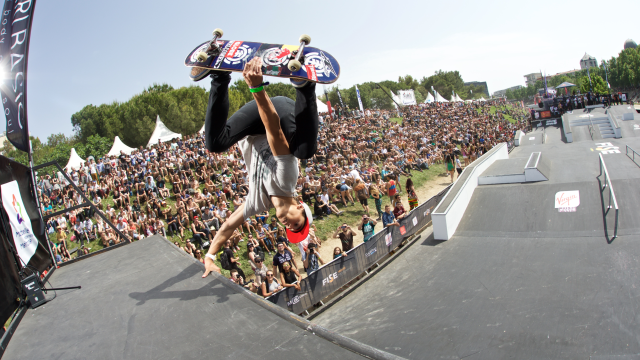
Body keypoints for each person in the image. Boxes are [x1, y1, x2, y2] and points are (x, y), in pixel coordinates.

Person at [203, 57, 318, 277]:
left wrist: (209, 257)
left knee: (215, 143)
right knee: (304, 151)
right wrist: (256, 87)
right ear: (300, 207)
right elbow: (273, 129)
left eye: (289, 229)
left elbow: (228, 227)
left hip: (254, 126)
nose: (289, 225)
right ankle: (304, 86)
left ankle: (218, 75)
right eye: (296, 224)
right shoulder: (287, 181)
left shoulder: (257, 204)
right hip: (279, 114)